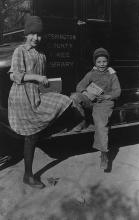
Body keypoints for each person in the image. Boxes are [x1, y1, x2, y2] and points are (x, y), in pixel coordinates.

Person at [8, 16, 73, 189]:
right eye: (33, 34)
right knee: (31, 137)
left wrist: (48, 84)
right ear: (26, 33)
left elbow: (43, 80)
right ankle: (28, 175)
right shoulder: (20, 51)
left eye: (39, 35)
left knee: (64, 100)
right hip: (22, 96)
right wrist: (36, 77)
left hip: (37, 94)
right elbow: (14, 75)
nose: (36, 38)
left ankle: (29, 171)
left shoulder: (41, 54)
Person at [70, 48, 121, 169]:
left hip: (104, 103)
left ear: (107, 62)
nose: (102, 64)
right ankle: (81, 121)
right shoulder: (91, 74)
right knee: (74, 97)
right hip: (91, 100)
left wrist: (109, 96)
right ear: (95, 63)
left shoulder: (112, 75)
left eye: (104, 61)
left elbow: (118, 91)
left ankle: (104, 154)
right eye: (99, 62)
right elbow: (80, 85)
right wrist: (86, 93)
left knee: (101, 126)